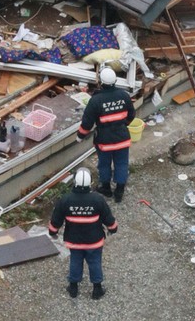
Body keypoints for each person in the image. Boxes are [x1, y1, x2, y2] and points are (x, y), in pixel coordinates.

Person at [48, 167, 117, 299]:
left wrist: (53, 232)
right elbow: (108, 219)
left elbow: (56, 220)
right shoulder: (98, 199)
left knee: (75, 261)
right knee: (95, 262)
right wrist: (113, 228)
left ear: (75, 182)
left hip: (74, 241)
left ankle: (73, 288)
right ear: (90, 183)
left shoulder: (66, 200)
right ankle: (97, 289)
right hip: (94, 241)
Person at [77, 66, 134, 202]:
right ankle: (119, 192)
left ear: (101, 82)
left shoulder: (96, 100)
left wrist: (80, 136)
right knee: (122, 164)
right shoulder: (124, 95)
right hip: (122, 139)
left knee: (104, 165)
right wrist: (122, 125)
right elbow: (131, 115)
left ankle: (106, 189)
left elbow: (87, 123)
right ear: (115, 81)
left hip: (104, 142)